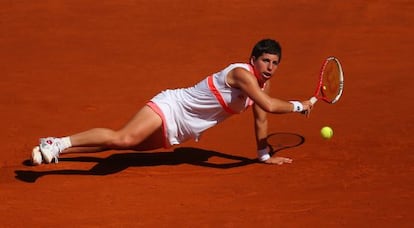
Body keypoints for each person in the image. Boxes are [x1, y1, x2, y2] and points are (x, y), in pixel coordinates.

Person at [31, 38, 313, 166]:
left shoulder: (262, 86)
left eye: (275, 63)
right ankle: (58, 143)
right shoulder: (242, 74)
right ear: (253, 59)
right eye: (266, 60)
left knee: (118, 146)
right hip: (171, 106)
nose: (270, 67)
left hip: (182, 129)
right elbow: (270, 106)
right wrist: (300, 105)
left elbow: (262, 117)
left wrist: (263, 155)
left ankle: (57, 151)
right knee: (124, 138)